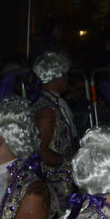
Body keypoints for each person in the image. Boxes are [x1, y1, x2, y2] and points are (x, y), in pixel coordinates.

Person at [30, 51, 77, 210]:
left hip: (61, 181)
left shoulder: (52, 103)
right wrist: (70, 164)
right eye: (66, 75)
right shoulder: (47, 110)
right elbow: (39, 152)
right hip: (54, 184)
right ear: (59, 77)